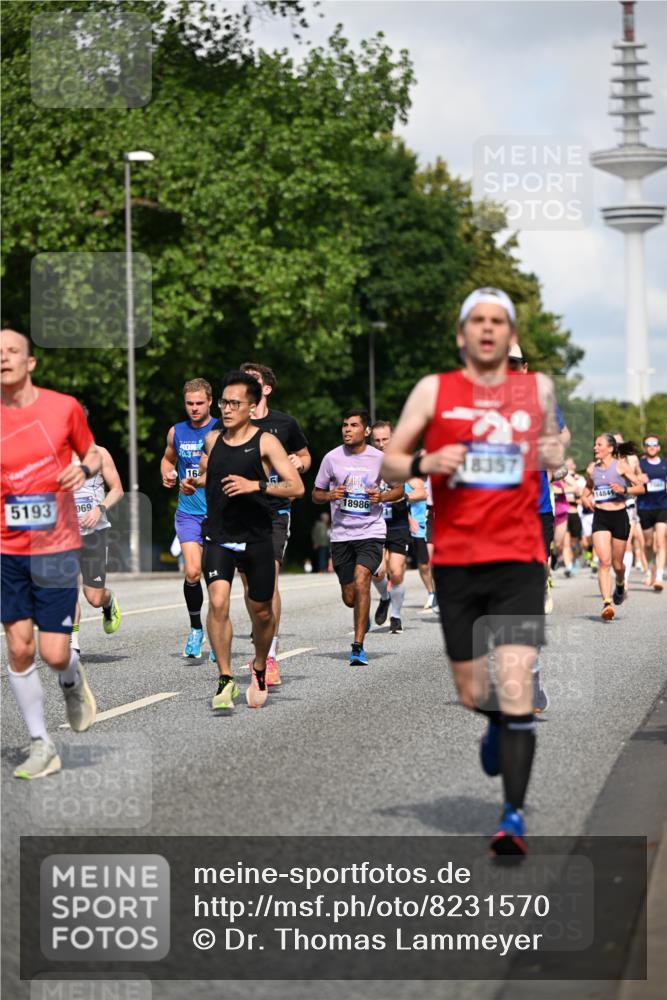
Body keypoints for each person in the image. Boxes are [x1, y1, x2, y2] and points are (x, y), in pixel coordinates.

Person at [381, 288, 564, 855]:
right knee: (472, 691)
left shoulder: (537, 389)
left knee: (515, 686)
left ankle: (512, 817)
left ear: (509, 335)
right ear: (463, 335)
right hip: (457, 560)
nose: (487, 330)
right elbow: (389, 459)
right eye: (477, 321)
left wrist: (555, 453)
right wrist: (424, 463)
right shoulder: (435, 390)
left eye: (498, 322)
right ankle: (494, 722)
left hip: (517, 558)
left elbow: (554, 445)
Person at [1, 328, 100, 779]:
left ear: (30, 362)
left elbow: (94, 452)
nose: (3, 358)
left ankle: (71, 679)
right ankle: (42, 743)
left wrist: (82, 467)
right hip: (7, 547)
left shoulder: (62, 408)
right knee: (19, 650)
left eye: (12, 351)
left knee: (55, 653)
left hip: (56, 545)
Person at [181, 371, 304, 709]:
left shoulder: (266, 442)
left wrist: (257, 486)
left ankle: (260, 664)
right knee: (218, 602)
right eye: (224, 402)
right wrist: (194, 482)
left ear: (252, 407)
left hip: (257, 537)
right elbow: (214, 474)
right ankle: (225, 679)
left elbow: (296, 487)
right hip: (220, 535)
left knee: (262, 612)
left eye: (235, 403)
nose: (227, 408)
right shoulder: (212, 440)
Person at [239, 363, 311, 685]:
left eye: (253, 381)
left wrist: (300, 462)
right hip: (240, 512)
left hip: (275, 510)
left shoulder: (284, 423)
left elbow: (305, 457)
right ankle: (261, 638)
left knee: (269, 582)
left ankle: (269, 654)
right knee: (249, 587)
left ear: (266, 388)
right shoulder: (233, 423)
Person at [312, 409, 387, 665]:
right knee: (350, 596)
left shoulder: (379, 459)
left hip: (371, 531)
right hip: (341, 535)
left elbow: (399, 489)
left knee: (362, 578)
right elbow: (315, 493)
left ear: (366, 430)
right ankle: (361, 612)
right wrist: (330, 496)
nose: (347, 429)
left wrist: (383, 496)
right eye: (344, 425)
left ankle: (357, 646)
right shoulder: (331, 458)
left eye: (353, 425)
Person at [161, 379, 218, 659]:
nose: (194, 409)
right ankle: (196, 629)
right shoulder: (177, 431)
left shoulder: (222, 430)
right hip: (188, 513)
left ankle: (219, 633)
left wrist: (199, 481)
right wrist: (168, 475)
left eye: (199, 403)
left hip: (219, 514)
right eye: (189, 404)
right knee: (193, 572)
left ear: (210, 401)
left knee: (217, 579)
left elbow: (226, 470)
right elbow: (167, 459)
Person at [370, 421, 425, 634]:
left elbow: (422, 492)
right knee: (377, 571)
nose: (381, 444)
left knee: (396, 571)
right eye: (377, 440)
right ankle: (384, 597)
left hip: (398, 524)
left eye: (385, 440)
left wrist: (403, 496)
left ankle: (396, 616)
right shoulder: (365, 461)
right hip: (374, 523)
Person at [70, 435, 124, 652]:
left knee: (93, 597)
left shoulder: (99, 453)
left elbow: (117, 489)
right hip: (65, 534)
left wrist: (99, 509)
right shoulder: (52, 455)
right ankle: (72, 643)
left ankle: (108, 600)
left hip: (95, 533)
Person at [581, 434, 642, 620]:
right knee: (604, 562)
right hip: (600, 517)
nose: (595, 447)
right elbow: (588, 488)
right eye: (594, 444)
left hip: (619, 516)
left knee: (617, 564)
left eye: (599, 444)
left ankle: (621, 583)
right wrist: (584, 498)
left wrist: (623, 490)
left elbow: (640, 488)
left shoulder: (621, 466)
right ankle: (607, 603)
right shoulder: (592, 469)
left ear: (610, 448)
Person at [637, 433, 667, 592]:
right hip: (644, 507)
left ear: (659, 447)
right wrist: (638, 480)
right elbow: (632, 483)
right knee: (648, 543)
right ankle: (649, 570)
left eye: (655, 444)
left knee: (661, 541)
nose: (652, 447)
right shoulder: (640, 465)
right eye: (648, 444)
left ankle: (659, 577)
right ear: (645, 447)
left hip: (662, 506)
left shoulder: (665, 463)